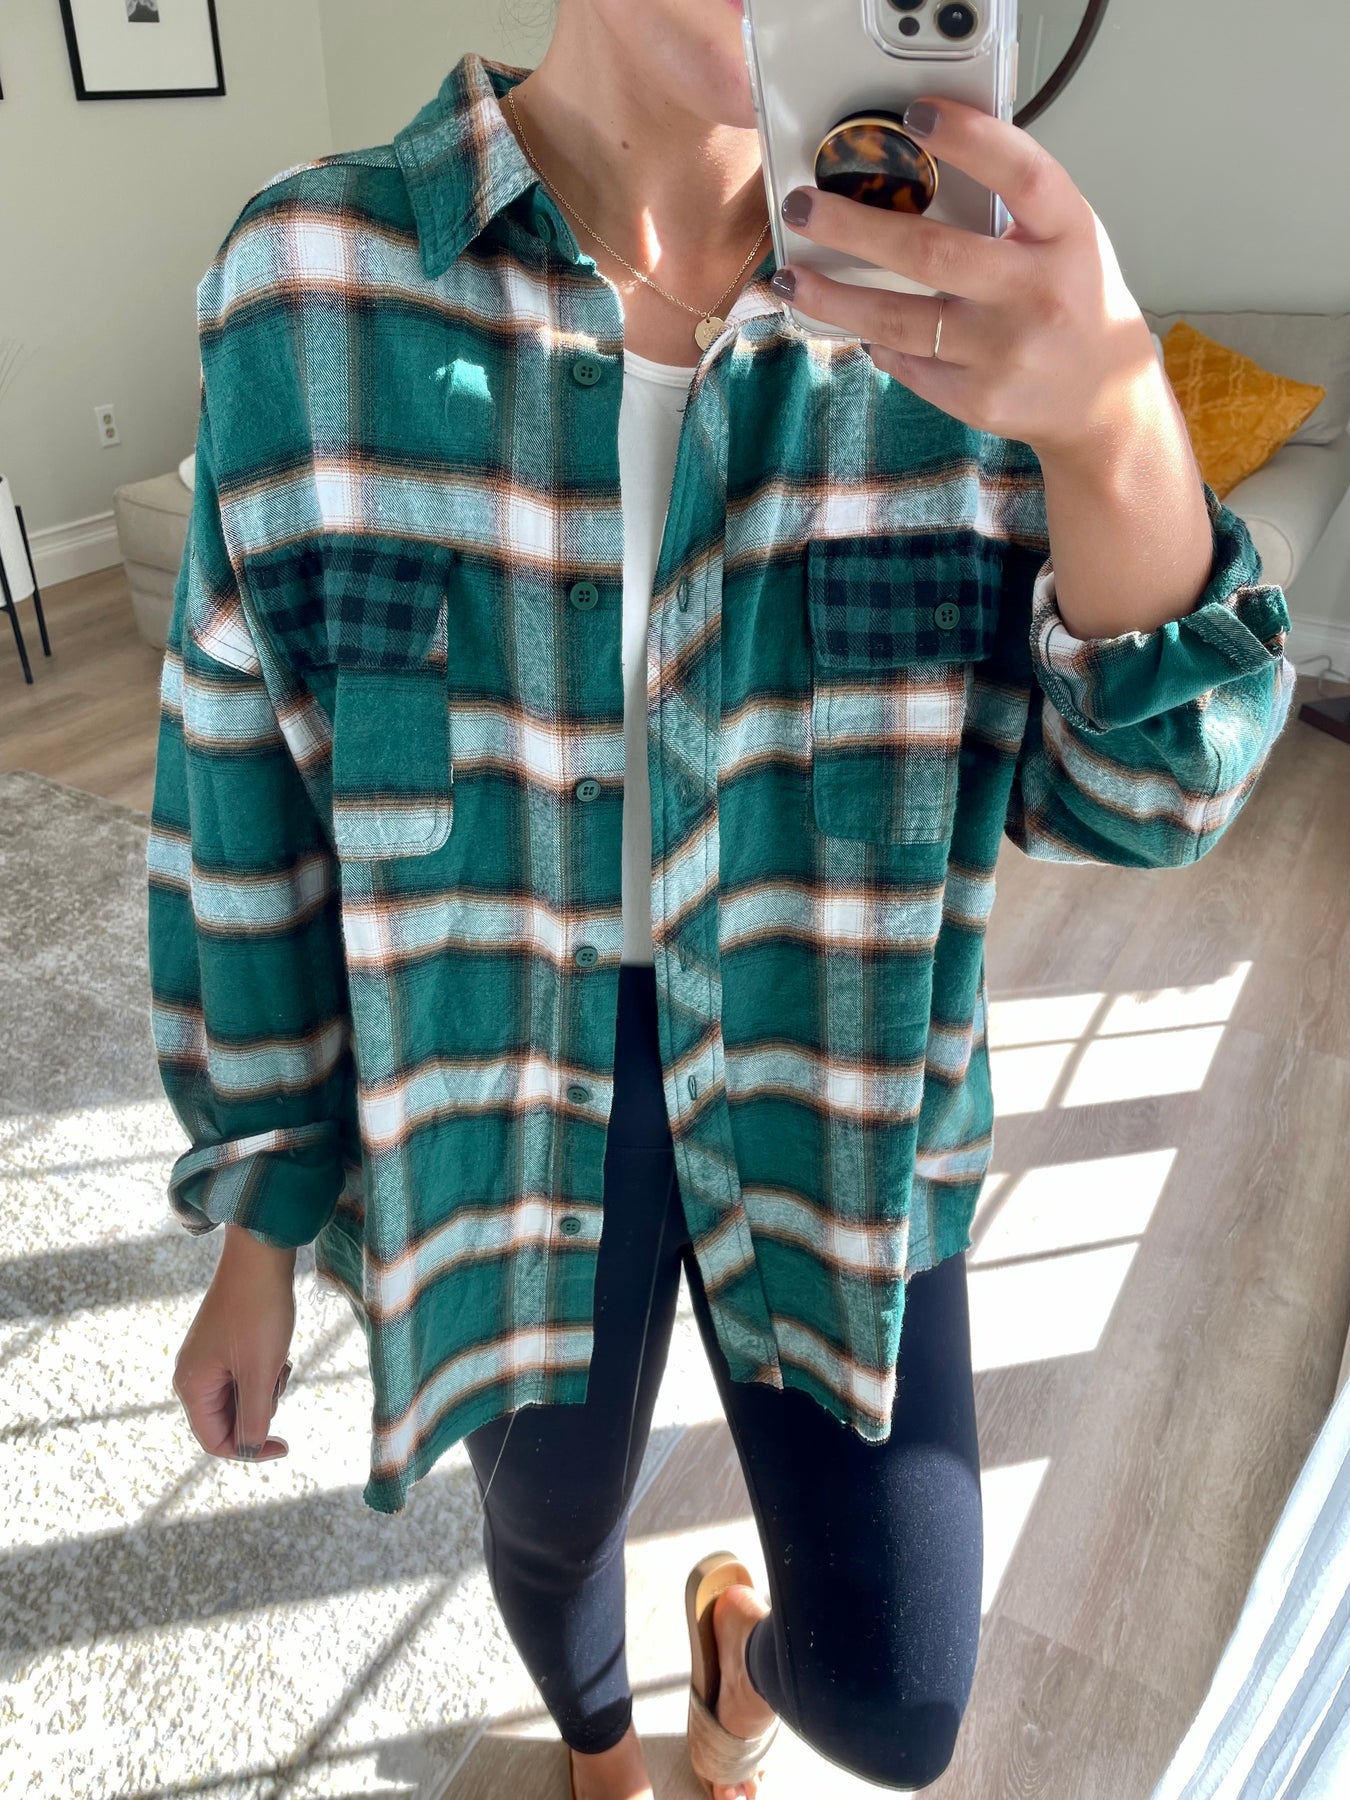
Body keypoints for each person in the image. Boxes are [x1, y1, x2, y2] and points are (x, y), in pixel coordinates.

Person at [153, 3, 1296, 1798]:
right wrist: (258, 1224)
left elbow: (1150, 798)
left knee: (896, 1703)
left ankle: (733, 1663)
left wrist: (1110, 426)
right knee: (549, 1520)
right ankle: (602, 1746)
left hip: (830, 1060)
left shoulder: (957, 310)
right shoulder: (312, 283)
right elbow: (238, 785)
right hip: (494, 1078)